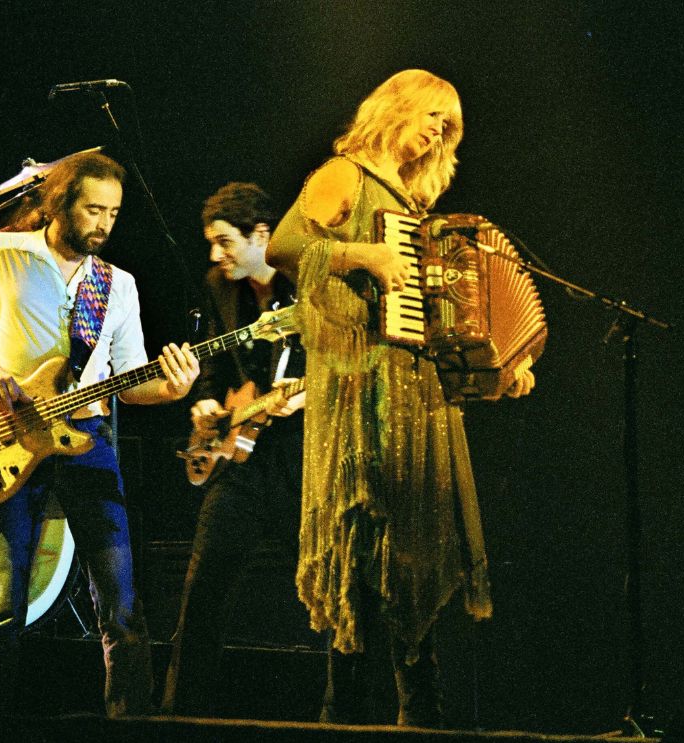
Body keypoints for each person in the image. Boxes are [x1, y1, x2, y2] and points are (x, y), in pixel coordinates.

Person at [266, 69, 536, 727]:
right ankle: (346, 709)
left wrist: (494, 364)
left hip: (417, 394)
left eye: (450, 127)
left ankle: (419, 712)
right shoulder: (345, 176)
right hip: (361, 388)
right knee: (363, 545)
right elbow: (283, 245)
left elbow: (444, 327)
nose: (440, 133)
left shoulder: (418, 215)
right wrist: (362, 256)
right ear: (398, 107)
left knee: (415, 554)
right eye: (434, 116)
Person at [0, 151, 200, 717]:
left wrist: (173, 390)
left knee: (122, 605)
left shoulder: (116, 284)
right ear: (60, 203)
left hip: (88, 439)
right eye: (92, 209)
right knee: (1, 604)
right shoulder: (0, 253)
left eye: (113, 213)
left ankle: (130, 720)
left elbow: (130, 380)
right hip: (8, 437)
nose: (103, 223)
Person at [162, 182, 306, 716]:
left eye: (225, 242)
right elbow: (215, 368)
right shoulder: (218, 286)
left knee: (328, 586)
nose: (215, 255)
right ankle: (180, 713)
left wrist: (308, 394)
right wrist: (203, 404)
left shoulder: (308, 285)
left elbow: (347, 363)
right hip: (241, 454)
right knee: (203, 589)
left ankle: (347, 714)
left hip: (301, 454)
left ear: (262, 236)